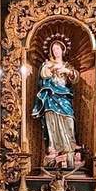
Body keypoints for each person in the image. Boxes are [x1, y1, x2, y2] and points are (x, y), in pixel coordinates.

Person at [32, 39, 79, 168]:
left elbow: (75, 78)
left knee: (69, 120)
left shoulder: (68, 65)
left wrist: (67, 71)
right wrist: (53, 68)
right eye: (53, 50)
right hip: (51, 98)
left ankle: (70, 149)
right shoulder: (47, 64)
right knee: (52, 123)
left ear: (63, 50)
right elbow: (43, 74)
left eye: (57, 49)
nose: (55, 51)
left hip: (64, 97)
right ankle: (55, 150)